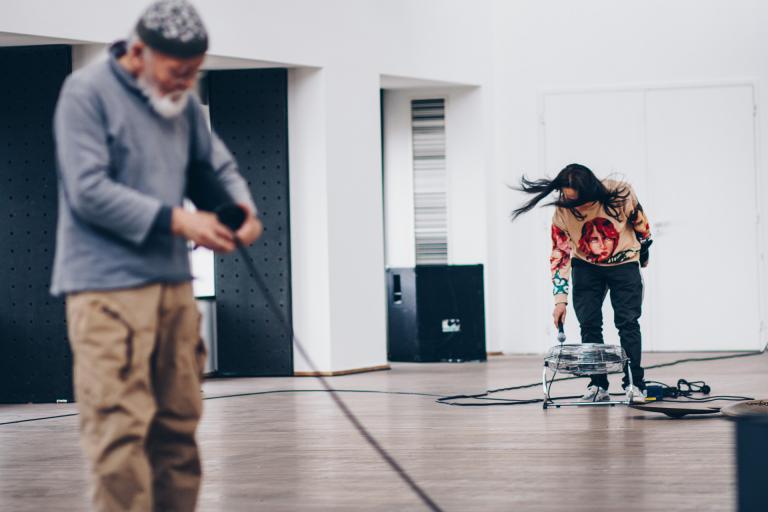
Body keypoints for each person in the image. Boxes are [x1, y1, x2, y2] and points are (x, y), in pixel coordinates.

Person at [50, 1, 262, 510]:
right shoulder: (86, 93)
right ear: (139, 51)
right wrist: (180, 219)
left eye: (195, 74)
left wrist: (243, 212)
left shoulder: (183, 102)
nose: (184, 83)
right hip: (105, 292)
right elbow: (88, 190)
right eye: (176, 71)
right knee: (119, 436)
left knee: (178, 432)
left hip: (172, 287)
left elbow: (216, 164)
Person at [512, 163, 652, 403]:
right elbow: (559, 255)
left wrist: (643, 251)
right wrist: (560, 301)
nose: (576, 206)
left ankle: (635, 384)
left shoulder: (620, 194)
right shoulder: (563, 213)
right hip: (586, 266)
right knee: (589, 323)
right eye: (569, 200)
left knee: (627, 322)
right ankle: (598, 385)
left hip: (624, 262)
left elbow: (642, 225)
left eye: (580, 200)